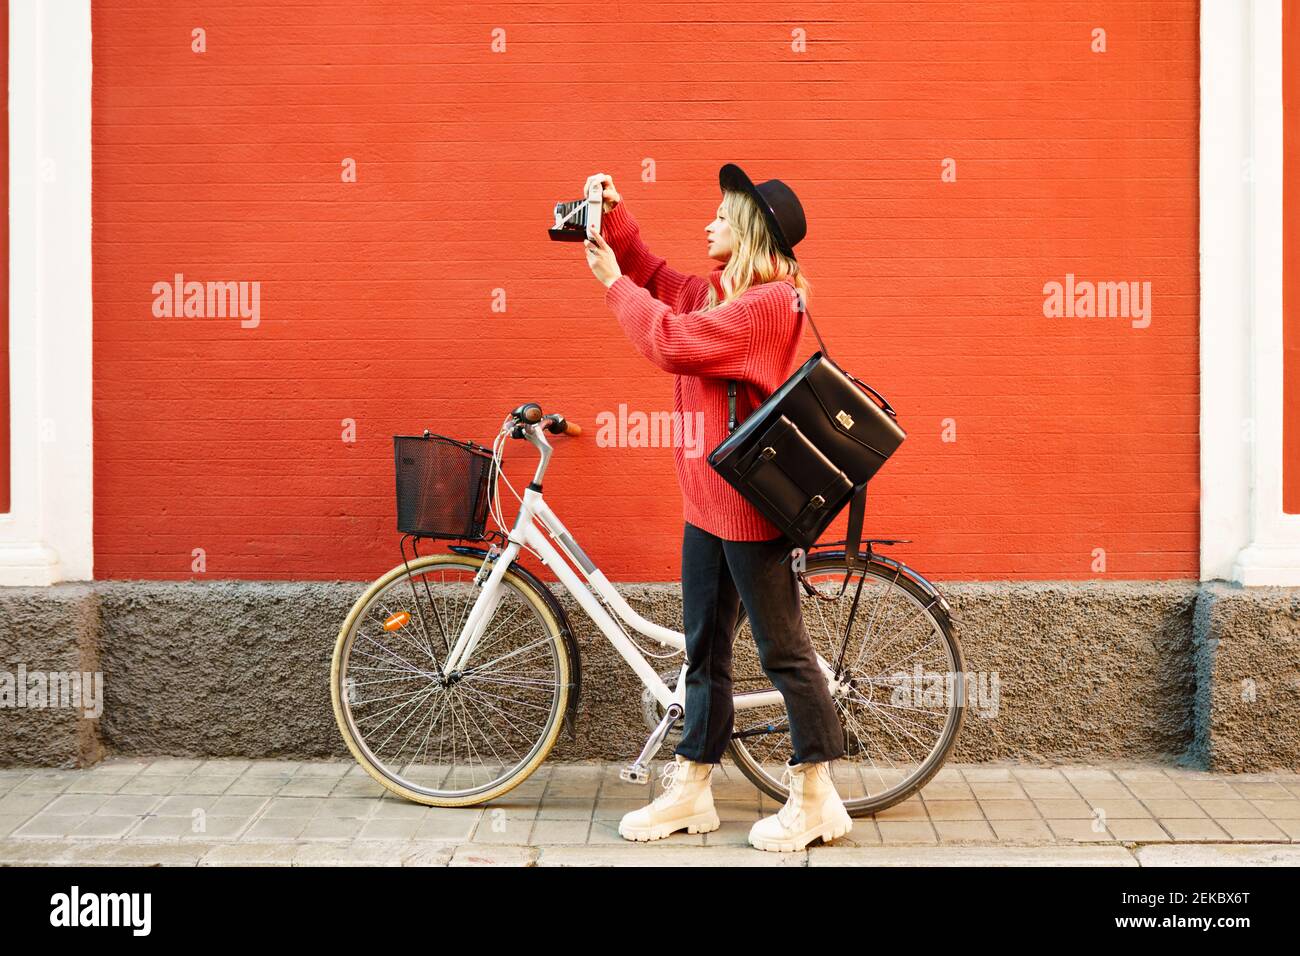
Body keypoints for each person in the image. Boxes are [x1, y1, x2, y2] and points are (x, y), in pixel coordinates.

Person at [581, 164, 853, 852]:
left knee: (783, 653)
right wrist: (614, 218)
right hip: (707, 503)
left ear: (748, 232)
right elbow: (658, 277)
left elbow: (671, 341)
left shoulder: (768, 305)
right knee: (703, 652)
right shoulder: (721, 291)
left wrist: (611, 285)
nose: (708, 223)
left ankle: (817, 796)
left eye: (720, 216)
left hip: (752, 510)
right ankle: (692, 788)